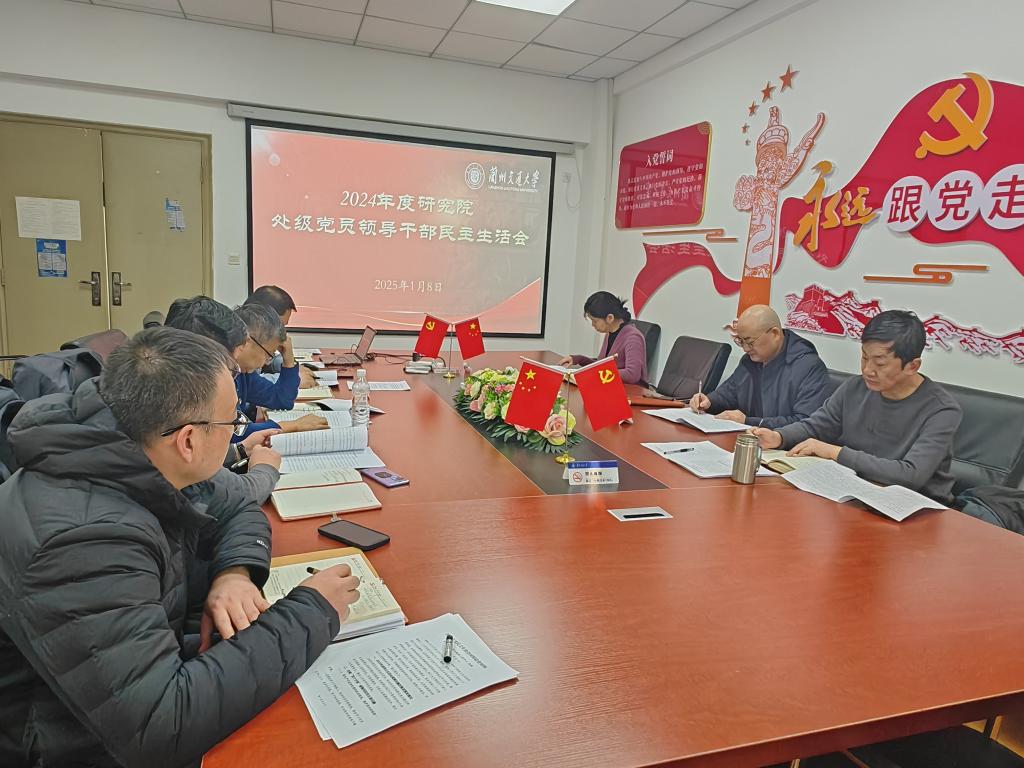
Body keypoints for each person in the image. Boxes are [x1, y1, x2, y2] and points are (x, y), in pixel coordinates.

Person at [0, 327, 361, 768]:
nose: (236, 434)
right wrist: (313, 612)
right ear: (189, 440)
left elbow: (239, 505)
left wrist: (235, 574)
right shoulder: (83, 543)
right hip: (75, 746)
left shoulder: (135, 445)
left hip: (134, 681)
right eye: (232, 423)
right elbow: (162, 726)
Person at [751, 310, 962, 503]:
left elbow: (910, 475)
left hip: (915, 509)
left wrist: (835, 452)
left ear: (912, 366)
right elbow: (817, 425)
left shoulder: (941, 410)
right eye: (864, 357)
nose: (868, 370)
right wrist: (779, 437)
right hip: (856, 493)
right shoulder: (856, 386)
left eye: (880, 363)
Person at [165, 296, 327, 436]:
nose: (266, 362)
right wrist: (290, 426)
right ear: (247, 340)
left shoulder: (242, 374)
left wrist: (289, 360)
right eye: (269, 355)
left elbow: (281, 400)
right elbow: (232, 433)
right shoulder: (204, 381)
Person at [688, 304, 830, 427]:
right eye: (741, 342)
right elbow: (729, 393)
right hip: (747, 439)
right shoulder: (749, 361)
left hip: (784, 447)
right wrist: (709, 401)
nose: (745, 348)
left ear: (775, 334)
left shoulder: (809, 367)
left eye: (750, 342)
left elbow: (806, 424)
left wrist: (750, 422)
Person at [559, 291, 647, 385]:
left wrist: (596, 373)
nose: (593, 325)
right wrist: (578, 359)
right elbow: (601, 367)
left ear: (610, 318)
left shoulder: (633, 337)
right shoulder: (610, 332)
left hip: (631, 390)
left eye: (595, 321)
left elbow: (632, 375)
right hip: (610, 386)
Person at [244, 285, 316, 388]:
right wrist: (292, 379)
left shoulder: (257, 338)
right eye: (280, 326)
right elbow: (250, 385)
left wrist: (289, 365)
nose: (283, 332)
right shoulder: (240, 342)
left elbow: (266, 362)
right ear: (261, 317)